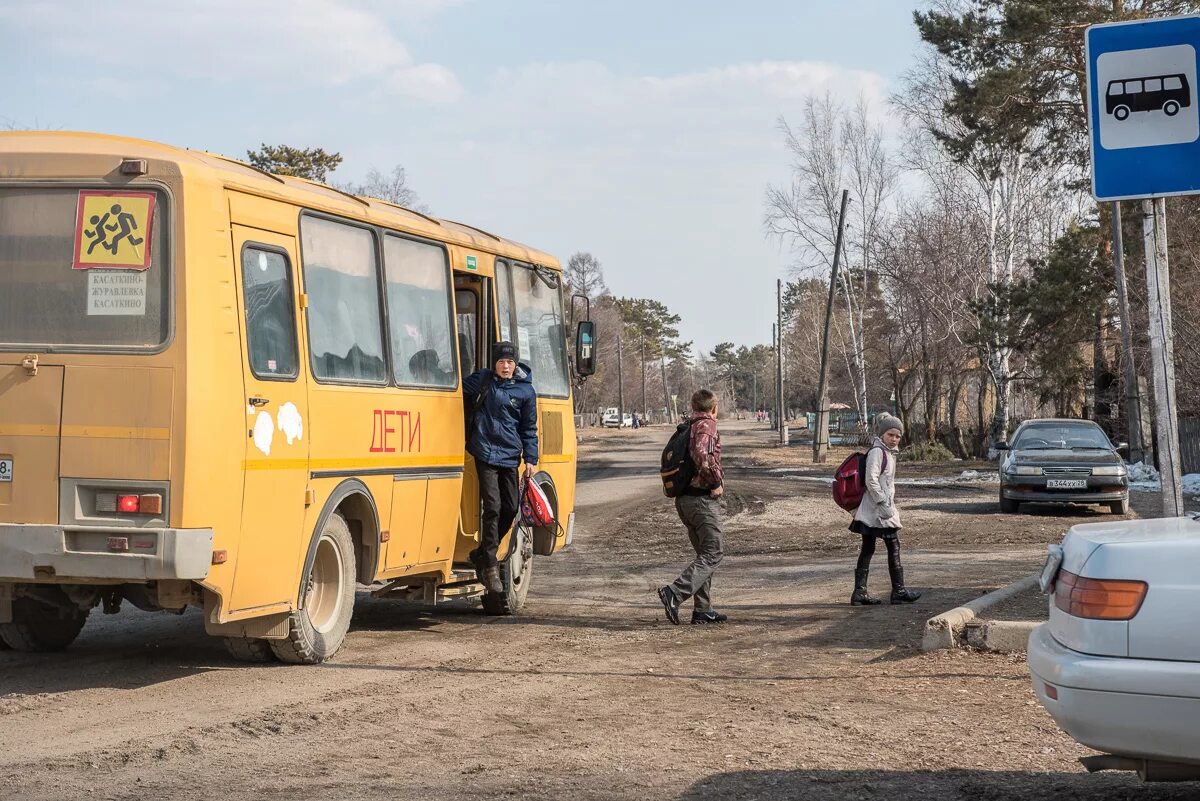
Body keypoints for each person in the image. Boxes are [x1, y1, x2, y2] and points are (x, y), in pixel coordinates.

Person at [463, 341, 539, 595]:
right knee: (493, 507)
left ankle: (483, 553)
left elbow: (528, 428)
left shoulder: (526, 391)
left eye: (509, 362)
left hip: (509, 455)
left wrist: (530, 458)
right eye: (501, 362)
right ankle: (491, 566)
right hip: (484, 451)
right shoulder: (484, 380)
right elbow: (457, 389)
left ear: (515, 364)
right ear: (494, 364)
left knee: (511, 507)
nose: (505, 366)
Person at [658, 389, 727, 625]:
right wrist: (716, 482)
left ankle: (702, 609)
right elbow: (702, 455)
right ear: (714, 407)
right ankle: (674, 593)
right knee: (713, 552)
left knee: (704, 555)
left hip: (685, 500)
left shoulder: (689, 425)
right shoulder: (706, 425)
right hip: (701, 500)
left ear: (693, 405)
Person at [849, 414, 921, 605]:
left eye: (898, 436)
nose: (894, 439)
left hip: (878, 509)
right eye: (891, 434)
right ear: (883, 434)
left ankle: (860, 592)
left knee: (870, 548)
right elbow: (871, 481)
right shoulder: (877, 452)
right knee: (891, 546)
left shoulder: (888, 452)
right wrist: (883, 503)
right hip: (877, 510)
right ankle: (896, 591)